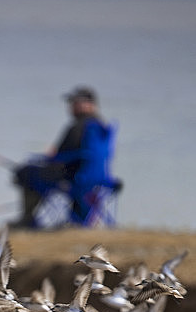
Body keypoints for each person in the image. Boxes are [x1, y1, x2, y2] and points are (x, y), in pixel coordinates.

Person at [11, 86, 122, 228]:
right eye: (71, 103)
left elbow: (62, 156)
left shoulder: (79, 127)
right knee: (36, 171)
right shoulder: (103, 128)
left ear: (90, 104)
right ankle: (78, 219)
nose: (71, 107)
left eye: (75, 103)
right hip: (100, 178)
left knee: (26, 172)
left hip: (75, 177)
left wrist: (49, 158)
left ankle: (27, 220)